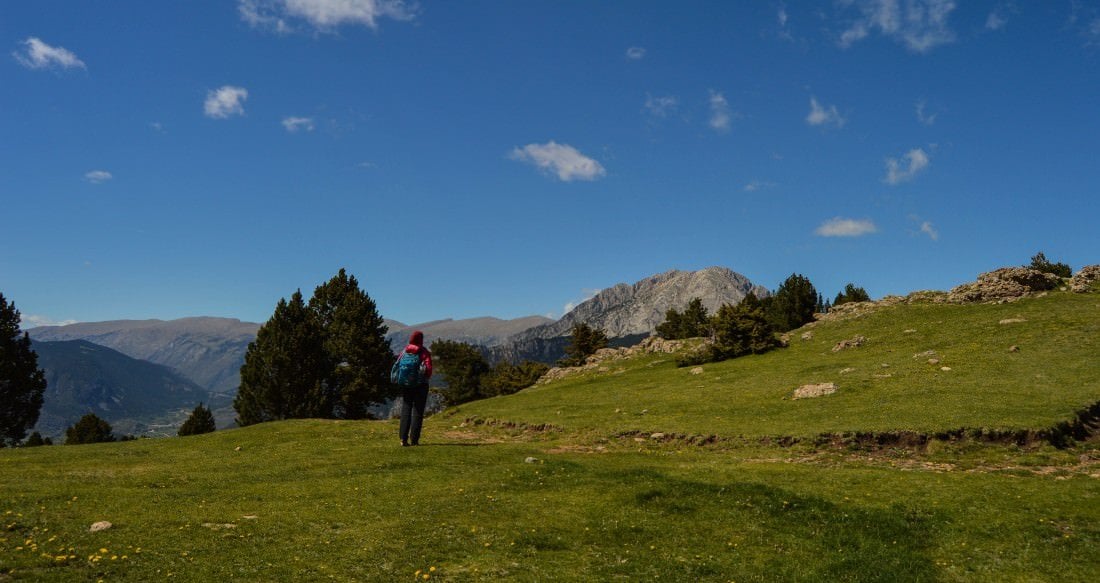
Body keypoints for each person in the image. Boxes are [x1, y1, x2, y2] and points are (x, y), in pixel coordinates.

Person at [397, 330, 432, 446]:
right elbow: (428, 370)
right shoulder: (424, 352)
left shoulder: (404, 351)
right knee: (418, 411)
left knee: (406, 409)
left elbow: (398, 365)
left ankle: (403, 438)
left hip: (406, 385)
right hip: (421, 385)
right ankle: (414, 440)